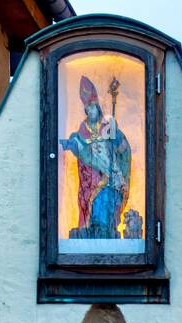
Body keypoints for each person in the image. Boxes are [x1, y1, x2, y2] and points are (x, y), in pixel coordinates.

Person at [61, 75, 132, 240]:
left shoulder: (107, 124)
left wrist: (117, 142)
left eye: (93, 107)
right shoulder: (83, 127)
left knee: (106, 199)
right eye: (88, 109)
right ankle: (93, 228)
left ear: (98, 107)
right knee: (93, 203)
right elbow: (80, 146)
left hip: (109, 175)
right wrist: (73, 143)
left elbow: (122, 146)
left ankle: (106, 228)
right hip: (91, 177)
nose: (90, 111)